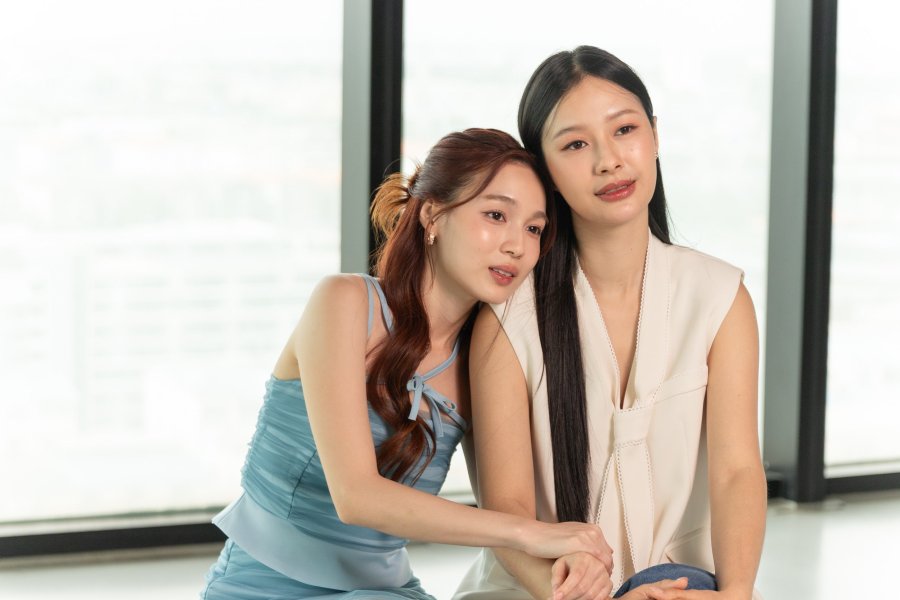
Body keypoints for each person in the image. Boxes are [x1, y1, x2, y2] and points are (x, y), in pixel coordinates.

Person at [199, 128, 613, 600]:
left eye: (534, 229)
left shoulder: (484, 360)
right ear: (432, 215)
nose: (517, 246)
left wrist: (577, 577)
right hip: (262, 586)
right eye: (496, 215)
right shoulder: (345, 303)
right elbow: (356, 496)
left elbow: (510, 506)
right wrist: (531, 533)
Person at [453, 48, 767, 600]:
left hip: (680, 586)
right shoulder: (507, 319)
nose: (609, 161)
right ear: (545, 171)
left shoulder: (721, 298)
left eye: (625, 129)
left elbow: (737, 470)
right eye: (575, 144)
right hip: (541, 592)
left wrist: (737, 593)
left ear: (655, 135)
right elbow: (508, 511)